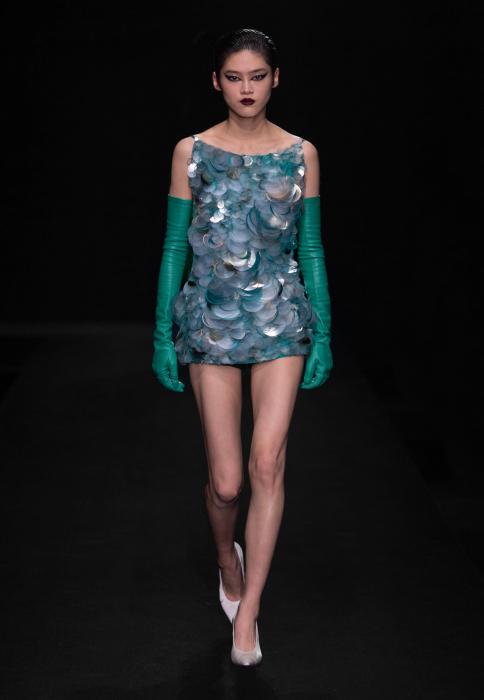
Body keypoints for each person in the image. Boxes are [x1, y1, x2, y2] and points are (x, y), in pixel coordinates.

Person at [152, 27, 333, 666]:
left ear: (276, 79)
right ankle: (225, 561)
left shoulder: (302, 153)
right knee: (227, 484)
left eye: (258, 76)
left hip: (282, 317)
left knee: (267, 464)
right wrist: (162, 332)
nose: (247, 88)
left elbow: (310, 246)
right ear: (216, 82)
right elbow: (174, 245)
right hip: (210, 317)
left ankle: (249, 609)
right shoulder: (192, 151)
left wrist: (323, 332)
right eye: (234, 77)